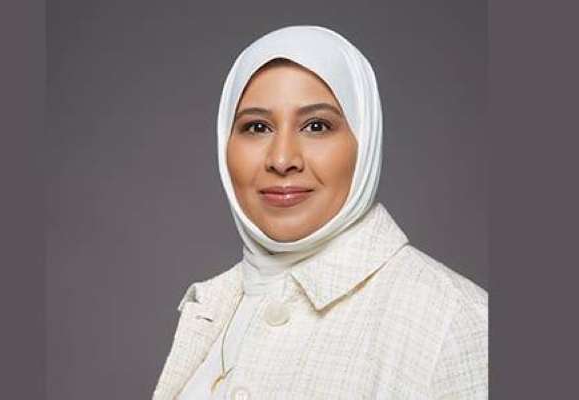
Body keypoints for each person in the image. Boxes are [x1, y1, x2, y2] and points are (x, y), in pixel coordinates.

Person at [153, 25, 488, 400]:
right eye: (257, 127)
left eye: (316, 126)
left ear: (364, 140)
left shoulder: (453, 323)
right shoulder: (218, 307)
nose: (282, 159)